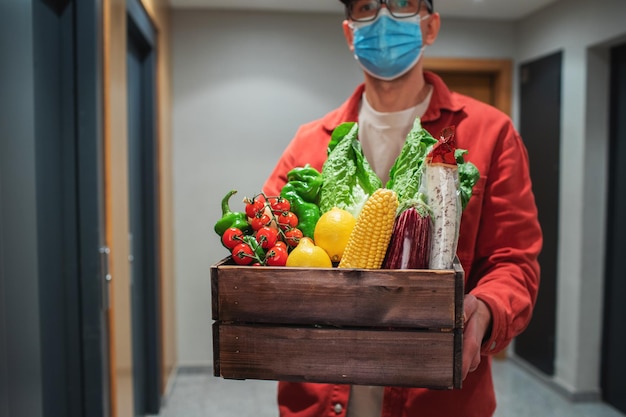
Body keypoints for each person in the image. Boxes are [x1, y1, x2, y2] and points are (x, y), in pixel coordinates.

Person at [263, 0, 542, 415]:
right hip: (320, 397)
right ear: (349, 32)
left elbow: (514, 262)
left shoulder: (491, 133)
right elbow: (268, 244)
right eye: (365, 6)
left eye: (402, 3)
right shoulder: (309, 143)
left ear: (430, 28)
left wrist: (482, 311)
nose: (383, 17)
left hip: (438, 400)